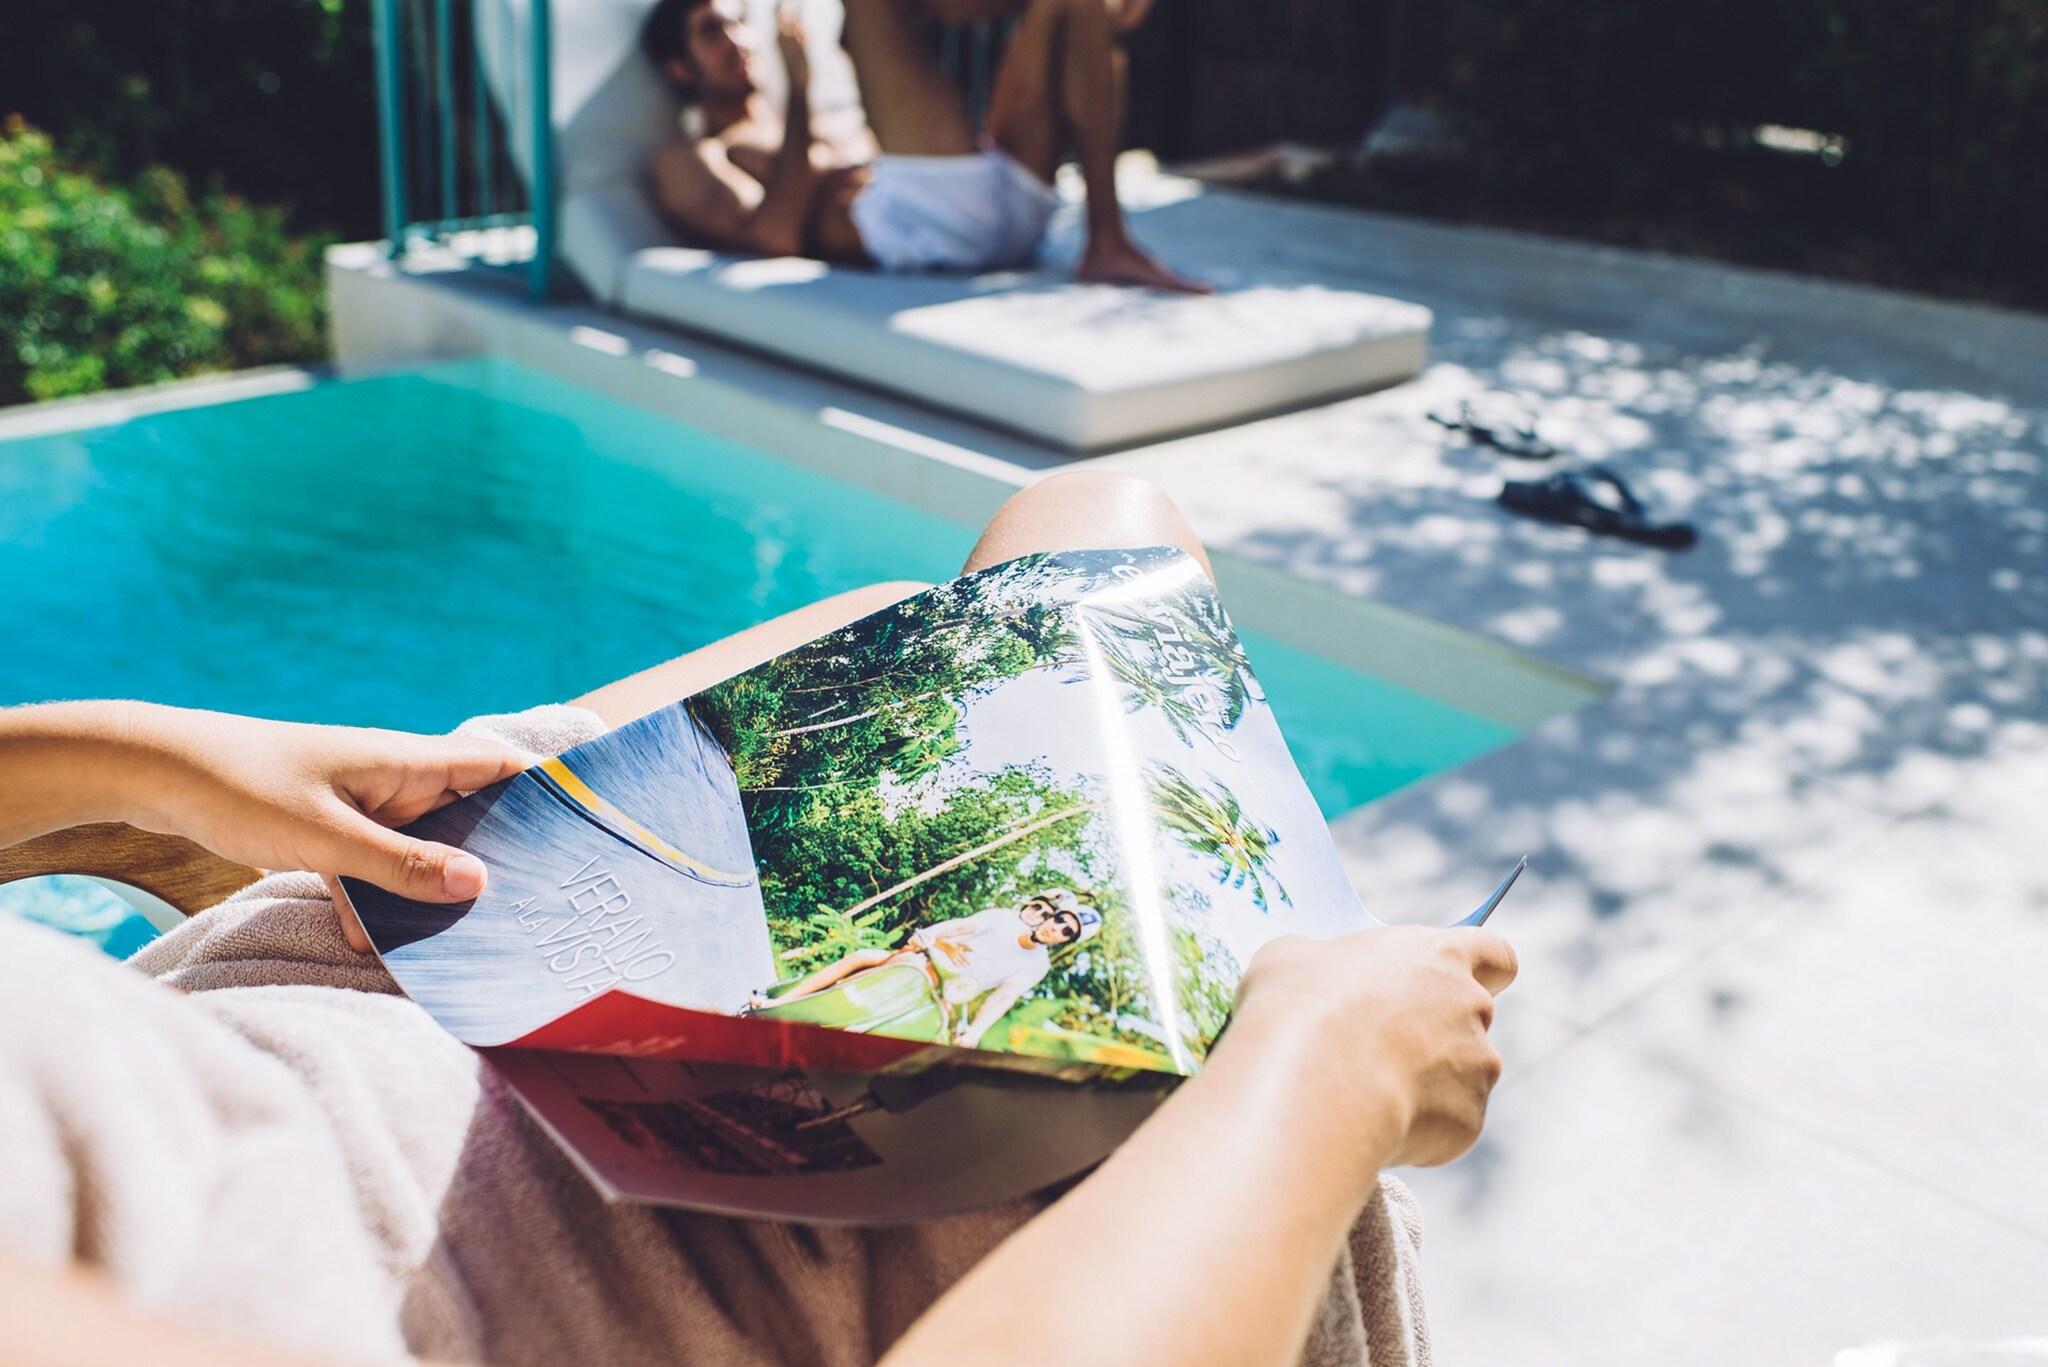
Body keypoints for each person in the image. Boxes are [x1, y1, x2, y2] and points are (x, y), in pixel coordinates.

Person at [0, 472, 1513, 1366]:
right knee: (1080, 557)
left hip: (361, 970)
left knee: (1069, 537)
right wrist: (1330, 1074)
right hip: (687, 1257)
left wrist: (150, 760)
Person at [641, 0, 1210, 291]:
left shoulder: (819, 117)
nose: (737, 40)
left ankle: (1107, 240)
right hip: (924, 226)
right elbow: (774, 236)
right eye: (711, 32)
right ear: (677, 67)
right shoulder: (692, 157)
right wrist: (799, 92)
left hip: (1005, 205)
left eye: (736, 23)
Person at [746, 887, 1101, 1047]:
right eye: (1060, 920)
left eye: (1067, 932)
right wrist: (927, 939)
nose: (1056, 928)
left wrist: (975, 1033)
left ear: (1066, 941)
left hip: (946, 995)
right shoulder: (1003, 919)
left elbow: (1003, 998)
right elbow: (957, 926)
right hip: (922, 963)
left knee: (928, 1040)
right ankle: (782, 1003)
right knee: (863, 960)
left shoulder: (1036, 967)